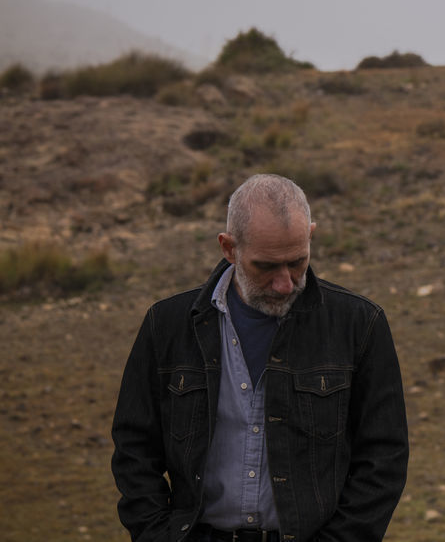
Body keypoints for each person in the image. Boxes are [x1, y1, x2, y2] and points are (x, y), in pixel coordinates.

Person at [111, 173, 409, 541]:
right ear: (228, 248)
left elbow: (384, 458)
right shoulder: (166, 325)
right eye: (266, 267)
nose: (285, 283)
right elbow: (134, 448)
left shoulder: (360, 325)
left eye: (297, 262)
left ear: (311, 235)